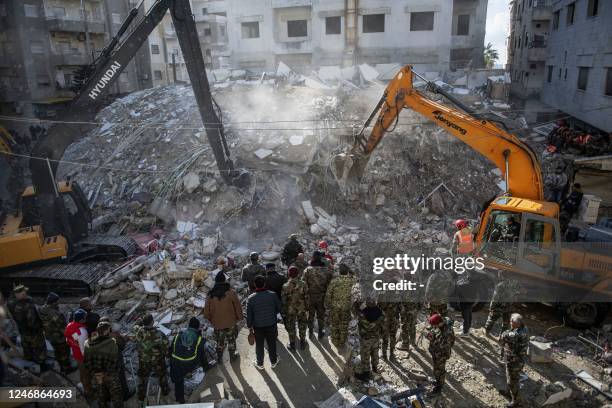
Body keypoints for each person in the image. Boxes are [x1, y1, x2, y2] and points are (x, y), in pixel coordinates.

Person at [203, 271, 243, 362]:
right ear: (224, 281)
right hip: (230, 322)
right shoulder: (231, 292)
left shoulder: (210, 294)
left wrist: (211, 320)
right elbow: (238, 307)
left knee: (219, 342)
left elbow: (206, 312)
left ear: (216, 281)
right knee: (231, 340)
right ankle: (232, 356)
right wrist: (239, 318)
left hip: (217, 324)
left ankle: (220, 358)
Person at [169, 317, 209, 404]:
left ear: (188, 326)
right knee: (199, 353)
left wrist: (171, 362)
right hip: (190, 365)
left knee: (178, 382)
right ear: (198, 327)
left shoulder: (178, 336)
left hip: (176, 364)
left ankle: (180, 399)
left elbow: (171, 351)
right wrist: (206, 366)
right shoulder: (199, 339)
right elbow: (202, 357)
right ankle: (191, 375)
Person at [83, 321, 123, 408]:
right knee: (116, 395)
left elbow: (86, 361)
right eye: (109, 330)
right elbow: (114, 361)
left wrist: (93, 371)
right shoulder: (111, 343)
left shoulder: (87, 343)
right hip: (110, 374)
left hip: (96, 374)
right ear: (106, 331)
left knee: (100, 394)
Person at [246, 275, 281, 369]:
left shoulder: (250, 298)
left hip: (258, 326)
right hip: (271, 324)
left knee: (259, 345)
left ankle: (260, 363)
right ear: (264, 284)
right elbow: (279, 309)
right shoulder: (272, 295)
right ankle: (273, 362)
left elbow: (249, 315)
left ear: (254, 284)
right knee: (272, 343)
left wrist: (249, 326)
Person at [134, 313, 169, 406]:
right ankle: (165, 391)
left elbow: (135, 328)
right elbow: (166, 346)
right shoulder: (159, 334)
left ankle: (141, 396)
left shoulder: (139, 332)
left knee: (142, 378)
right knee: (162, 375)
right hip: (157, 360)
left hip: (143, 360)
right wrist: (166, 354)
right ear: (153, 322)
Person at [8, 285, 47, 366]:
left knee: (26, 346)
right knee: (39, 347)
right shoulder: (28, 306)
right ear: (18, 294)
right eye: (23, 292)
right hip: (33, 331)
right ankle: (41, 362)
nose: (25, 293)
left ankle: (28, 359)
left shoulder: (11, 303)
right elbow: (31, 321)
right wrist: (39, 328)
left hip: (22, 330)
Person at [99, 316, 131, 401]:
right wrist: (123, 338)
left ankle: (107, 397)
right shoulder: (113, 335)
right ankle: (125, 396)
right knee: (120, 380)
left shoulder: (95, 335)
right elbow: (121, 346)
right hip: (116, 363)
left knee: (104, 382)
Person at [39, 292, 73, 373]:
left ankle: (60, 366)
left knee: (57, 351)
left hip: (49, 335)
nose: (58, 302)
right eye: (57, 301)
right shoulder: (56, 314)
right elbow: (63, 327)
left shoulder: (42, 309)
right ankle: (66, 368)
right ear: (53, 302)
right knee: (64, 352)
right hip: (59, 337)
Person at [500, 314, 529, 408]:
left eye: (511, 322)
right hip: (517, 359)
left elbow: (503, 337)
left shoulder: (515, 334)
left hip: (514, 361)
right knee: (510, 378)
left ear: (517, 323)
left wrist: (506, 333)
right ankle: (508, 392)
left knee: (513, 381)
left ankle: (516, 401)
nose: (510, 323)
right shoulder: (524, 329)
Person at [324, 263, 356, 349]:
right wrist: (352, 273)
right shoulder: (352, 280)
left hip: (335, 307)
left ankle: (335, 341)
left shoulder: (334, 281)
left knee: (334, 324)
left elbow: (328, 294)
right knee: (344, 325)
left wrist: (328, 305)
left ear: (339, 271)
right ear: (347, 271)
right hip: (346, 307)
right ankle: (342, 342)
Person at [303, 251, 333, 339]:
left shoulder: (307, 270)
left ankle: (310, 332)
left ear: (313, 258)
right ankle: (320, 332)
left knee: (311, 315)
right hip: (322, 296)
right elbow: (330, 284)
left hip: (310, 297)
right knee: (321, 316)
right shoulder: (326, 270)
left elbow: (303, 284)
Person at [426, 313, 455, 395]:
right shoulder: (442, 322)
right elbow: (434, 331)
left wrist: (432, 339)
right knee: (436, 369)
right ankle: (437, 380)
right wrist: (431, 334)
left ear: (440, 323)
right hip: (436, 352)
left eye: (435, 325)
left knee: (439, 370)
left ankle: (439, 387)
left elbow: (444, 346)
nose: (433, 327)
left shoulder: (447, 333)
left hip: (441, 355)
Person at [282, 266, 309, 351]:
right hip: (302, 308)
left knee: (291, 326)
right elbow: (307, 297)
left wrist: (285, 310)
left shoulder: (285, 286)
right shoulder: (303, 284)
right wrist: (307, 308)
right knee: (302, 325)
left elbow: (283, 300)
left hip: (290, 309)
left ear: (289, 274)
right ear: (298, 274)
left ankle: (292, 344)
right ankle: (302, 343)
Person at [65, 308, 92, 397]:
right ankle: (87, 390)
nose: (86, 319)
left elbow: (69, 339)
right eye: (85, 317)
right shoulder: (82, 331)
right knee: (86, 373)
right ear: (81, 320)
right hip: (82, 355)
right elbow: (83, 346)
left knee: (81, 370)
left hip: (75, 352)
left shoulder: (69, 326)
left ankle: (81, 384)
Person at [484, 272, 519, 338]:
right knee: (506, 323)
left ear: (502, 276)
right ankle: (502, 337)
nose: (499, 276)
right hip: (509, 306)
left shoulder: (500, 285)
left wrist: (491, 307)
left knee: (491, 319)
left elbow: (495, 298)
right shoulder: (514, 284)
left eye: (499, 275)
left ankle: (486, 333)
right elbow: (519, 293)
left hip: (499, 306)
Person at [357, 300, 383, 378]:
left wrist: (360, 310)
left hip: (366, 338)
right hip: (376, 337)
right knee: (375, 352)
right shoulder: (379, 311)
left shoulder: (363, 312)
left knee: (365, 354)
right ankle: (375, 368)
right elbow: (383, 319)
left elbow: (366, 325)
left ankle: (366, 374)